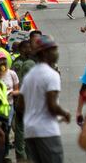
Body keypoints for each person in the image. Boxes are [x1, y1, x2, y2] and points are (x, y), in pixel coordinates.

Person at [21, 35, 70, 163]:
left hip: (30, 131)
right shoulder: (51, 74)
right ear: (44, 53)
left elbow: (20, 105)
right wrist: (65, 114)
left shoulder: (29, 76)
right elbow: (52, 105)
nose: (56, 53)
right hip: (47, 131)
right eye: (53, 49)